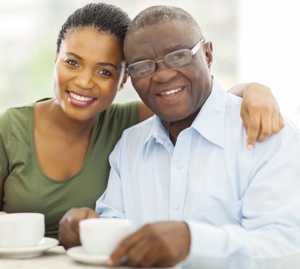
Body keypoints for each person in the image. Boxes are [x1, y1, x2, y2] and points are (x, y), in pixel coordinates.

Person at [0, 3, 281, 238]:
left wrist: (254, 91)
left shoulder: (130, 123)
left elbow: (201, 101)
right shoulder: (11, 127)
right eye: (72, 62)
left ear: (125, 80)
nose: (84, 82)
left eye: (105, 72)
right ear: (55, 59)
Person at [59, 5, 300, 268]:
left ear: (208, 54)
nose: (162, 74)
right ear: (130, 78)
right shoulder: (130, 144)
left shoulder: (267, 133)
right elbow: (115, 227)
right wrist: (85, 230)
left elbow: (287, 248)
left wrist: (192, 242)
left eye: (179, 56)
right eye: (143, 66)